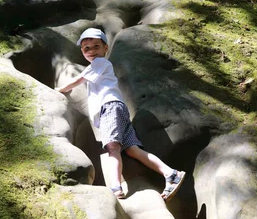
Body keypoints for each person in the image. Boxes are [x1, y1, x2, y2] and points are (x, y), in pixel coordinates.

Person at [55, 28, 185, 200]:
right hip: (117, 109)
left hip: (110, 108)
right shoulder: (99, 66)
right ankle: (171, 174)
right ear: (82, 51)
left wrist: (59, 90)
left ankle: (115, 187)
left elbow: (79, 80)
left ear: (105, 49)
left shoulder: (99, 63)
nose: (92, 51)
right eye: (87, 48)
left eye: (96, 46)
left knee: (112, 147)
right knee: (132, 150)